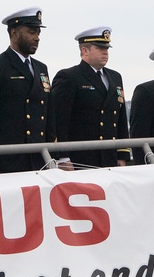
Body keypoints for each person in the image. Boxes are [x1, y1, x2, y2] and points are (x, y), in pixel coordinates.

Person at [0, 7, 55, 174]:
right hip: (9, 159)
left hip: (39, 158)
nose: (37, 38)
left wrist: (55, 154)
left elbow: (49, 114)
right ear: (15, 33)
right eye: (32, 32)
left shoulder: (41, 68)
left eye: (38, 33)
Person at [52, 27, 130, 170]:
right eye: (100, 48)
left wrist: (122, 154)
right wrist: (63, 157)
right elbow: (59, 121)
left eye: (106, 48)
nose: (105, 52)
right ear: (84, 51)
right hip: (81, 158)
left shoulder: (115, 77)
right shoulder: (69, 77)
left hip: (109, 157)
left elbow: (120, 120)